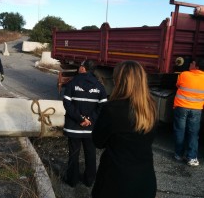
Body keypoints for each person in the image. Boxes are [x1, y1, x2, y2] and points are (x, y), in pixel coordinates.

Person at [92, 60, 157, 198]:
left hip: (115, 181)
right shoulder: (151, 107)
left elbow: (98, 142)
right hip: (145, 181)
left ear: (120, 81)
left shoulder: (112, 109)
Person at [62, 60, 107, 188]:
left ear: (84, 69)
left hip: (73, 128)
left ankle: (72, 180)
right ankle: (89, 180)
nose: (79, 68)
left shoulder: (72, 83)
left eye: (80, 66)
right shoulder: (99, 86)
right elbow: (102, 106)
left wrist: (79, 118)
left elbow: (67, 103)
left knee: (74, 154)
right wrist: (90, 119)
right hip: (90, 129)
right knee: (91, 154)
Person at [173, 59, 204, 166]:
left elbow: (178, 85)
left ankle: (178, 154)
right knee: (193, 133)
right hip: (196, 109)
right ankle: (191, 157)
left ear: (197, 66)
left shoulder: (184, 74)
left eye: (192, 63)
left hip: (181, 107)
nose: (190, 64)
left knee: (180, 131)